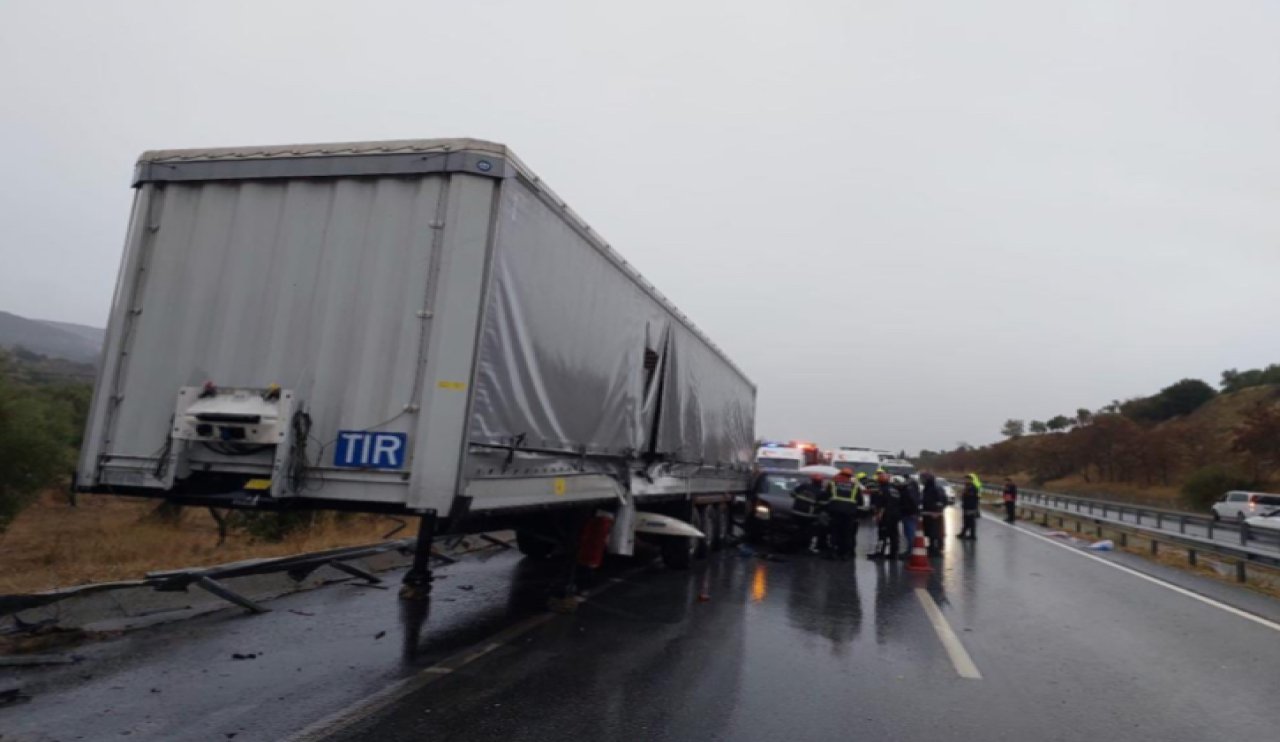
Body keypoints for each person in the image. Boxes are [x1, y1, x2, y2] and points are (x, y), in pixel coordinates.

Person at [825, 468, 865, 560]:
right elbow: (860, 503)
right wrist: (858, 515)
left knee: (834, 532)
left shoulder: (832, 484)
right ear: (850, 477)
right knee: (847, 533)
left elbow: (826, 497)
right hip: (850, 513)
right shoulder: (855, 487)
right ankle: (845, 554)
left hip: (835, 512)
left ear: (840, 475)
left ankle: (833, 552)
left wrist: (826, 510)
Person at [868, 471, 904, 559]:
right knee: (893, 535)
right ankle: (893, 553)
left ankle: (879, 553)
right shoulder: (895, 490)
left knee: (882, 534)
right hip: (896, 515)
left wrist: (878, 514)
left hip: (886, 515)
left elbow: (880, 504)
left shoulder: (882, 490)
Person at [791, 473, 829, 552]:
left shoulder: (803, 486)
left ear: (812, 480)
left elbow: (792, 494)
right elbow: (823, 505)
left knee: (797, 529)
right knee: (807, 531)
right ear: (821, 482)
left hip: (796, 511)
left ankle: (794, 545)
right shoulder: (821, 492)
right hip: (808, 515)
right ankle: (804, 547)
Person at [920, 471, 946, 556]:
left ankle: (937, 549)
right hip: (928, 514)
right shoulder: (926, 488)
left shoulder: (935, 488)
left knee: (935, 532)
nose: (922, 480)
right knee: (930, 532)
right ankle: (932, 547)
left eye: (923, 479)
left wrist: (938, 511)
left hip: (934, 515)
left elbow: (941, 501)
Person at [900, 475, 922, 555]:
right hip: (909, 512)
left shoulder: (910, 489)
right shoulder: (913, 488)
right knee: (908, 532)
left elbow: (912, 501)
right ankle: (911, 550)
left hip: (909, 513)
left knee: (910, 532)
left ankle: (911, 551)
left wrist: (913, 512)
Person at [957, 472, 982, 540]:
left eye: (967, 479)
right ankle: (963, 533)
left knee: (971, 521)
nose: (966, 480)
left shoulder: (973, 487)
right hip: (966, 506)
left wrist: (964, 493)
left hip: (971, 506)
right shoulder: (967, 486)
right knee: (966, 520)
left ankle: (972, 535)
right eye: (965, 479)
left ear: (971, 480)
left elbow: (972, 496)